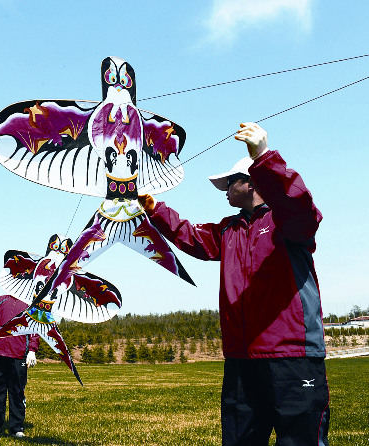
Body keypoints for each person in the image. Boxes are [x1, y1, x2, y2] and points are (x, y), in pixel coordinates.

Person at [139, 122, 329, 446]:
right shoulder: (229, 229)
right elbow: (190, 235)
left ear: (251, 181)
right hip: (241, 360)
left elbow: (300, 207)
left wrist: (264, 157)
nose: (225, 188)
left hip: (292, 357)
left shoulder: (286, 221)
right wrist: (153, 208)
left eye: (229, 181)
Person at [0, 272, 40, 438]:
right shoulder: (0, 300)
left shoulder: (30, 303)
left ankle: (17, 428)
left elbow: (36, 328)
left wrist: (32, 349)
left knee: (17, 392)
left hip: (19, 355)